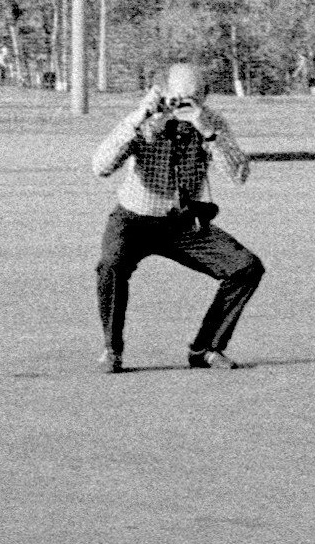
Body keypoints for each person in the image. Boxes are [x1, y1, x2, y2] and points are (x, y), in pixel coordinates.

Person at [90, 60, 264, 374]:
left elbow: (239, 174)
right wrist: (139, 119)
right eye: (177, 97)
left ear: (205, 97)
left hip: (184, 222)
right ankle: (112, 349)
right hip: (135, 217)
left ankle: (206, 348)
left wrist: (209, 134)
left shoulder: (211, 122)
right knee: (111, 265)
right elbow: (100, 167)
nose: (183, 105)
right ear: (163, 93)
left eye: (193, 98)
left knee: (246, 268)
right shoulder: (144, 119)